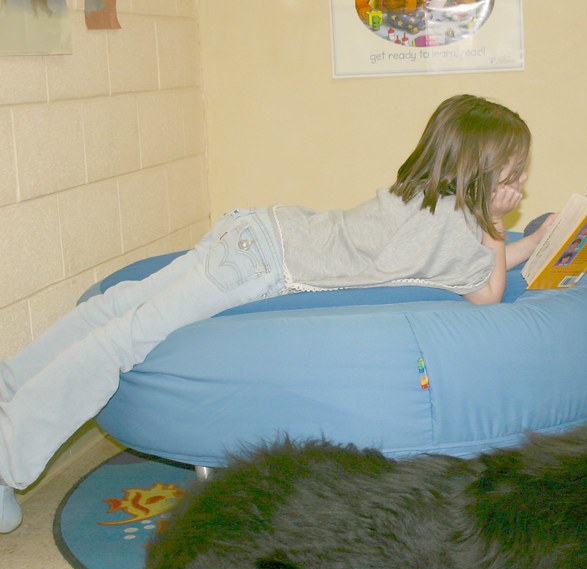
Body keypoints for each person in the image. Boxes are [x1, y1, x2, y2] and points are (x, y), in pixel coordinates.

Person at [0, 94, 557, 533]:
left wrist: (531, 243)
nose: (522, 184)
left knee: (118, 306)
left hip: (253, 234)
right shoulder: (455, 226)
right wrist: (496, 225)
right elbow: (487, 294)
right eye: (513, 175)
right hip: (257, 262)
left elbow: (473, 267)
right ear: (480, 174)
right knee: (125, 340)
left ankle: (9, 384)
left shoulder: (428, 200)